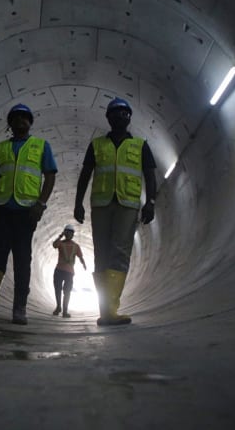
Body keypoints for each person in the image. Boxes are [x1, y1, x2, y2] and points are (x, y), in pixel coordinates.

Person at [0, 103, 57, 325]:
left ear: (30, 122)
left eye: (25, 117)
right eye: (15, 118)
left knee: (22, 260)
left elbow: (50, 176)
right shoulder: (1, 148)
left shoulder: (41, 146)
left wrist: (40, 204)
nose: (20, 121)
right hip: (0, 211)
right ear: (10, 123)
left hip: (26, 213)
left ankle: (19, 309)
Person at [74, 97, 156, 326]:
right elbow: (85, 174)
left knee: (120, 251)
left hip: (127, 204)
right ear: (108, 118)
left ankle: (111, 310)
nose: (121, 116)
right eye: (116, 113)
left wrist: (151, 202)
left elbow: (150, 175)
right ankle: (105, 311)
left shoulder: (140, 145)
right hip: (101, 204)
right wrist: (77, 202)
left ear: (129, 118)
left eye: (125, 113)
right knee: (101, 252)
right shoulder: (97, 144)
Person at [52, 224, 87, 318]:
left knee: (67, 291)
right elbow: (54, 245)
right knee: (58, 289)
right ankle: (59, 307)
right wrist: (60, 236)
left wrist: (84, 264)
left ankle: (65, 311)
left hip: (69, 272)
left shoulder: (76, 246)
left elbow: (80, 257)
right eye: (66, 232)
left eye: (70, 233)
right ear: (64, 233)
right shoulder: (61, 243)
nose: (68, 234)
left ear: (72, 234)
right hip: (59, 270)